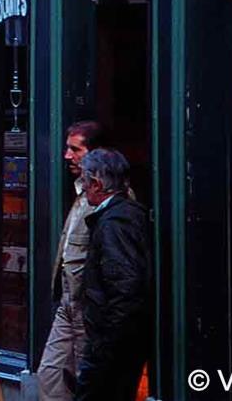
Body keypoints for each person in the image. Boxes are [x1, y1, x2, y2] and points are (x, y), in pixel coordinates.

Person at [74, 149, 152, 401]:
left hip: (113, 342)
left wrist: (105, 344)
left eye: (85, 183)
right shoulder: (122, 216)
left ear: (96, 185)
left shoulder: (115, 222)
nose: (83, 190)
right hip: (115, 338)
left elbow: (125, 286)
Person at [39, 120, 101, 401]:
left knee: (84, 380)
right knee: (50, 375)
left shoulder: (105, 200)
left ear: (95, 153)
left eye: (75, 149)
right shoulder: (81, 192)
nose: (67, 156)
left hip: (85, 305)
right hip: (68, 302)